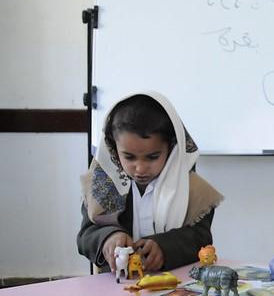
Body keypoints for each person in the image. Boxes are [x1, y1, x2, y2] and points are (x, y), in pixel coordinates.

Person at [77, 92, 223, 273]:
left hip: (173, 287)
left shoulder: (193, 190)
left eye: (152, 157)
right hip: (117, 287)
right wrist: (109, 237)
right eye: (129, 157)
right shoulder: (102, 186)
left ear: (171, 149)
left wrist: (164, 247)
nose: (140, 168)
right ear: (113, 149)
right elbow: (85, 236)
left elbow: (200, 238)